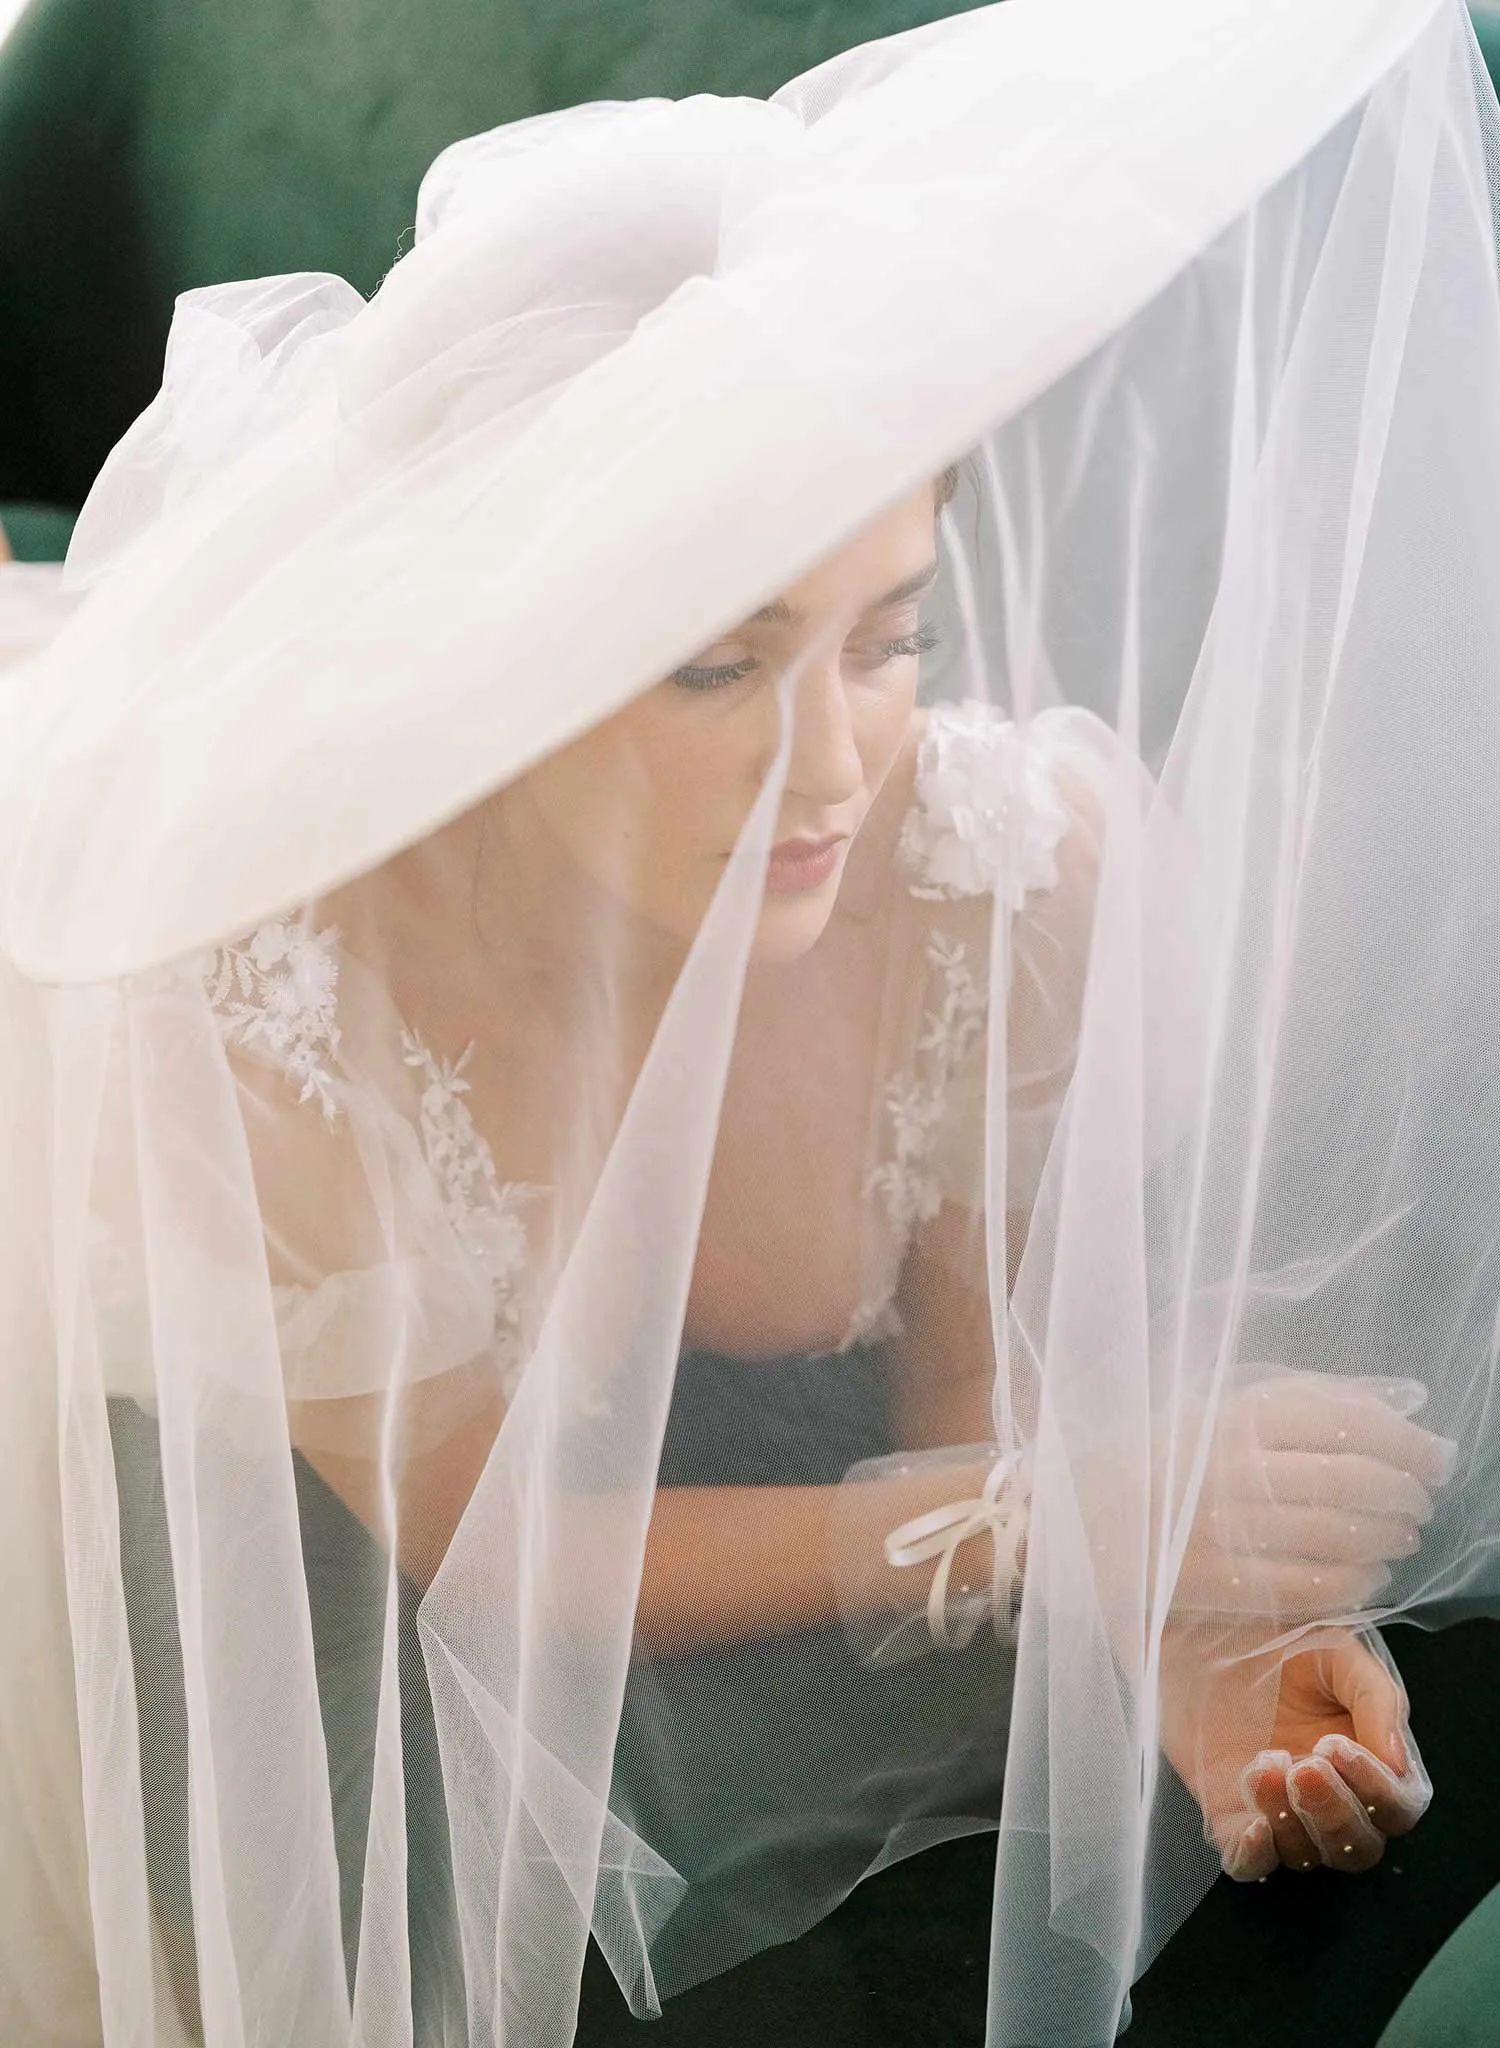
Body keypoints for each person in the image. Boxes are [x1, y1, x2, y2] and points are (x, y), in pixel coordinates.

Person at [1, 2, 1497, 2043]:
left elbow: (961, 1401)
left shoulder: (994, 879)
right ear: (503, 655)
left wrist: (1180, 1637)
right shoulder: (267, 1001)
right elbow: (483, 1542)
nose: (835, 772)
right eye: (720, 669)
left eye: (888, 638)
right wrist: (1047, 1516)